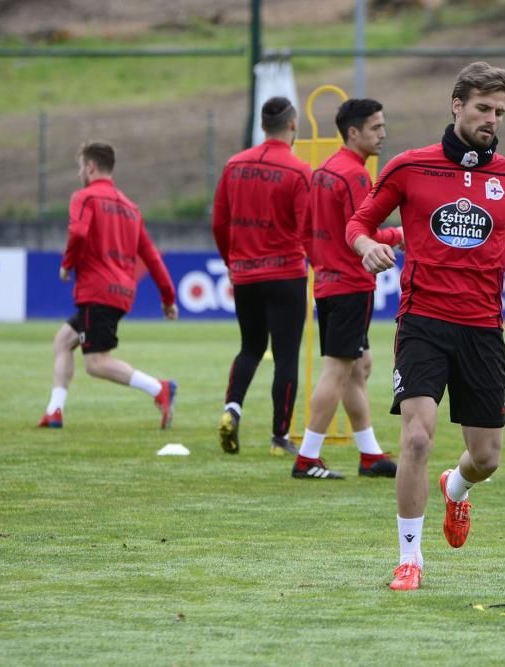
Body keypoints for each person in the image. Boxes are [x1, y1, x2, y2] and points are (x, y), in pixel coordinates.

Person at [346, 62, 505, 590]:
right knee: (416, 438)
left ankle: (456, 487)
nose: (492, 119)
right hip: (423, 322)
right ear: (456, 105)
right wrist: (368, 246)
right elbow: (359, 222)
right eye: (483, 108)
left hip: (483, 329)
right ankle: (410, 559)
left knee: (486, 457)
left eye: (500, 112)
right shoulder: (409, 167)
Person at [293, 99, 403, 480]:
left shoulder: (323, 170)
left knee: (359, 368)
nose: (383, 134)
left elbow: (305, 229)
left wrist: (321, 264)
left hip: (330, 282)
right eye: (376, 127)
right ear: (353, 132)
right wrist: (400, 235)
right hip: (350, 284)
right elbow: (365, 232)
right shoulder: (356, 176)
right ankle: (307, 458)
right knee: (337, 370)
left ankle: (370, 455)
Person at [37, 141, 178, 429]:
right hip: (121, 292)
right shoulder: (131, 208)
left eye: (80, 167)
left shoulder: (85, 198)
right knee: (63, 341)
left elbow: (77, 233)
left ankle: (159, 388)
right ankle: (55, 411)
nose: (79, 173)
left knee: (96, 363)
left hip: (97, 292)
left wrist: (67, 264)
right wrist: (168, 298)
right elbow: (151, 256)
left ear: (90, 167)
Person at [212, 96, 312, 456]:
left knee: (250, 347)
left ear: (261, 125)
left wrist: (232, 261)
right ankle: (279, 436)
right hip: (285, 273)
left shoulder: (234, 165)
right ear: (293, 124)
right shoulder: (300, 171)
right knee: (285, 355)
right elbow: (308, 228)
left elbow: (219, 222)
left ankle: (231, 411)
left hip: (245, 274)